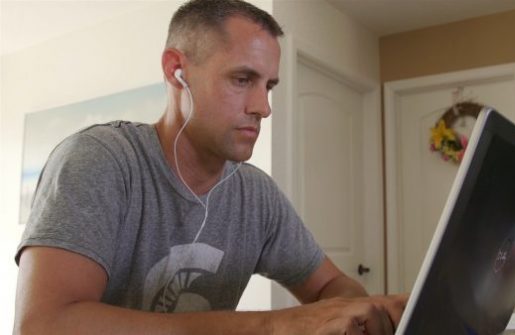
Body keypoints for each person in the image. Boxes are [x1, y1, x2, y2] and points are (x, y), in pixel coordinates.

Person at [13, 0, 407, 334]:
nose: (263, 107)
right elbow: (43, 324)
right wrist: (276, 324)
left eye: (268, 85)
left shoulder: (256, 196)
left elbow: (333, 285)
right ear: (176, 70)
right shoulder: (101, 161)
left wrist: (350, 311)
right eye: (242, 79)